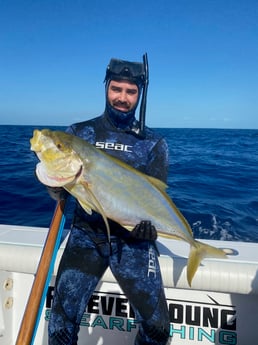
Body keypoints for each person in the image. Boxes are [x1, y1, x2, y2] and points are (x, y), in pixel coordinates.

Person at [47, 55, 170, 345]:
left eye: (131, 92)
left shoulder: (154, 144)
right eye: (117, 89)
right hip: (86, 236)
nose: (122, 98)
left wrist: (150, 229)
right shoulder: (79, 134)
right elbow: (62, 192)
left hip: (134, 241)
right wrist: (50, 181)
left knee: (157, 331)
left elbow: (156, 198)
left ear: (140, 95)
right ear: (106, 87)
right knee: (60, 328)